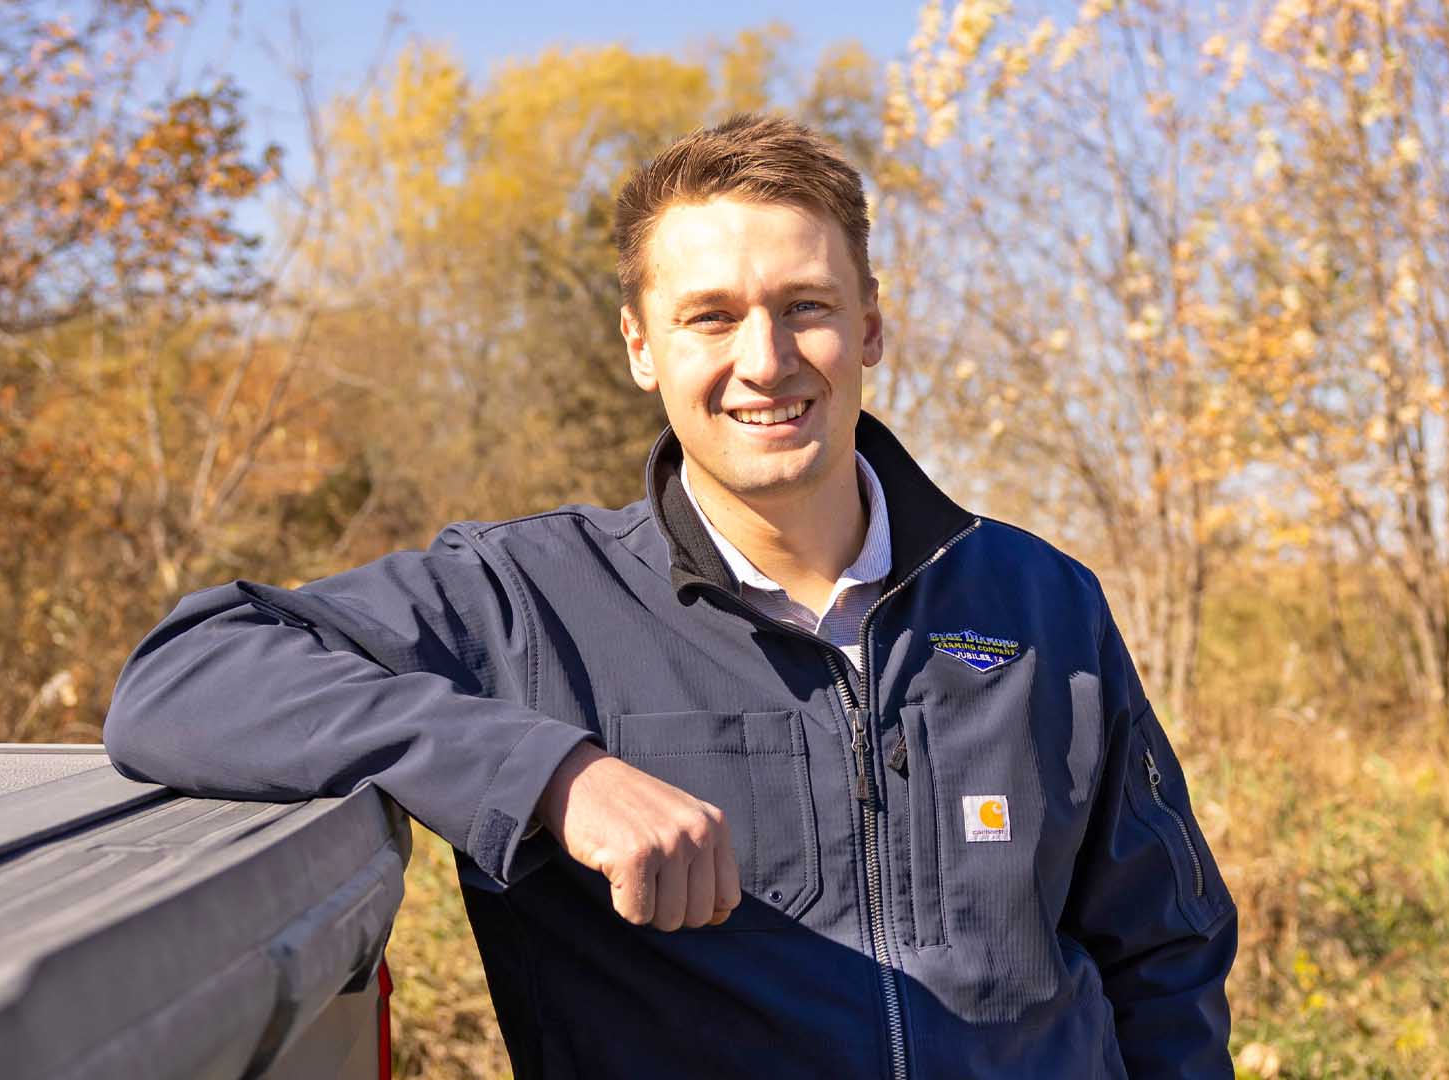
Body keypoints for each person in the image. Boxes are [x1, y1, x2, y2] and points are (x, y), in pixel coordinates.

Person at [104, 113, 1236, 1078]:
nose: (766, 359)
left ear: (872, 326)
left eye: (806, 307)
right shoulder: (528, 601)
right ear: (643, 346)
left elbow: (1163, 951)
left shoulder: (1040, 601)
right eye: (711, 317)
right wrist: (550, 774)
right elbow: (186, 675)